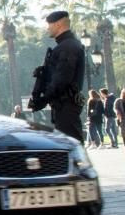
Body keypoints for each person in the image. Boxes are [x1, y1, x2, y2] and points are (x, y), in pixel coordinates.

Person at [27, 10, 86, 142]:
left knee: (71, 145)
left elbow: (62, 79)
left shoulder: (67, 47)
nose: (48, 27)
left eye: (50, 24)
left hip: (66, 106)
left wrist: (43, 99)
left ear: (59, 24)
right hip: (62, 106)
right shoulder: (66, 46)